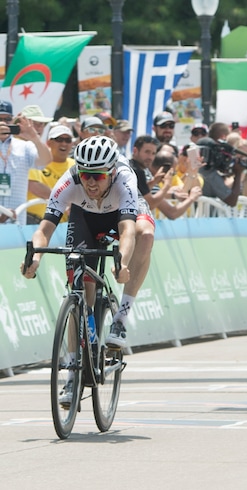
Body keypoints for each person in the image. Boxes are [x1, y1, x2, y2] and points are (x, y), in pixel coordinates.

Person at [20, 136, 143, 352]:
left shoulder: (125, 180)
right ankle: (72, 374)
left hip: (118, 216)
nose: (91, 182)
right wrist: (36, 259)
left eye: (98, 176)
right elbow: (45, 228)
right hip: (85, 217)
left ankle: (121, 319)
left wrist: (121, 263)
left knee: (146, 234)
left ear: (112, 172)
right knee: (80, 291)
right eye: (85, 175)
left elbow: (127, 230)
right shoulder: (68, 182)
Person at [0, 100, 52, 224]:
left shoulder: (25, 146)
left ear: (13, 120)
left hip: (16, 220)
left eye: (7, 119)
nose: (2, 123)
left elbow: (46, 160)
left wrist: (34, 136)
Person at [25, 125, 76, 224]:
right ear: (48, 143)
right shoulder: (37, 160)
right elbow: (35, 187)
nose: (64, 143)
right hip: (33, 221)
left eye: (68, 140)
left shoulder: (75, 166)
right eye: (59, 139)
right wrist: (64, 199)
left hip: (63, 225)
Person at [197, 137, 245, 207]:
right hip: (207, 217)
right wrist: (238, 173)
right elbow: (232, 201)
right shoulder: (210, 174)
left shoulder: (194, 170)